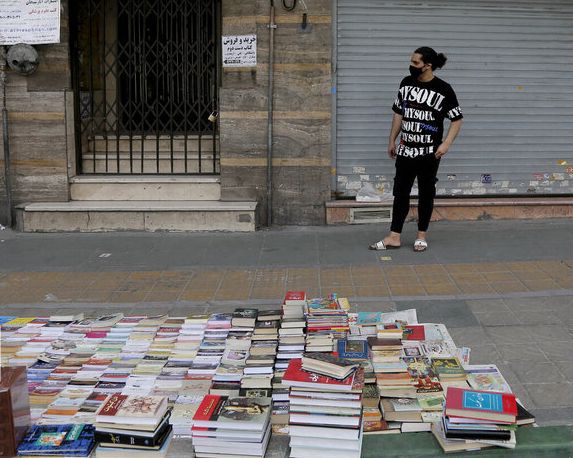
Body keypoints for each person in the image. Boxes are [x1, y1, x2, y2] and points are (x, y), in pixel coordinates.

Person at [369, 47, 463, 252]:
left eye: (415, 63)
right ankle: (394, 236)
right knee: (400, 193)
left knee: (426, 193)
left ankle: (421, 236)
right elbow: (398, 114)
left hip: (429, 153)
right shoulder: (406, 83)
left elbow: (457, 119)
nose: (411, 66)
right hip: (405, 150)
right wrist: (392, 140)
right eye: (411, 62)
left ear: (427, 65)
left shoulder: (443, 89)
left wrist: (446, 144)